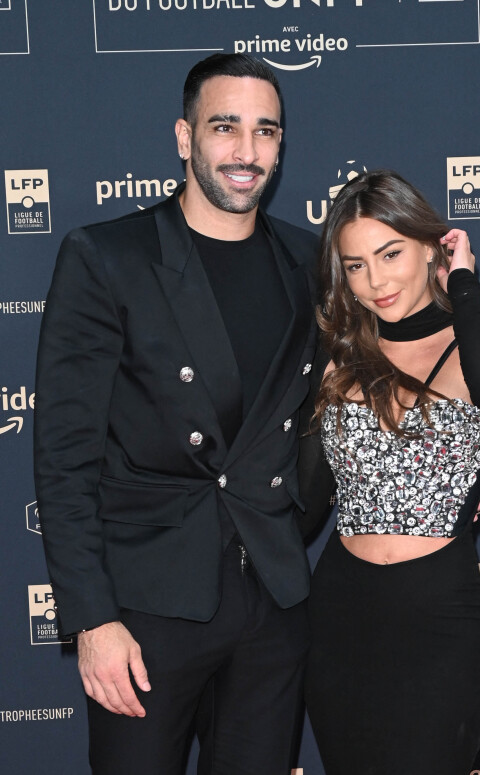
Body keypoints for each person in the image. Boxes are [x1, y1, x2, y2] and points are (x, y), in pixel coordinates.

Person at [33, 53, 319, 775]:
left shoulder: (308, 261)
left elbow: (360, 395)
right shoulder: (108, 258)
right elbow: (65, 456)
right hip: (147, 611)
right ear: (185, 137)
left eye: (265, 131)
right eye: (225, 127)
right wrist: (93, 619)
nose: (246, 152)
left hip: (273, 601)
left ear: (282, 145)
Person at [299, 170, 480, 775]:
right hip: (341, 614)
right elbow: (304, 502)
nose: (375, 281)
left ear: (432, 244)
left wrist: (464, 281)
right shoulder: (339, 360)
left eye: (390, 252)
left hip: (438, 617)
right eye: (354, 265)